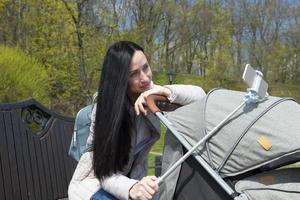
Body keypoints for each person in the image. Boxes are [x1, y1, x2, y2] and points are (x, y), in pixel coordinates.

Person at [68, 41, 206, 200]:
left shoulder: (153, 95)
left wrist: (164, 91)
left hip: (134, 180)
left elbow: (200, 96)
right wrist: (132, 188)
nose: (145, 78)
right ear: (120, 80)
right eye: (133, 74)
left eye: (146, 67)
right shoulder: (105, 110)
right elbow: (104, 172)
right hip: (95, 184)